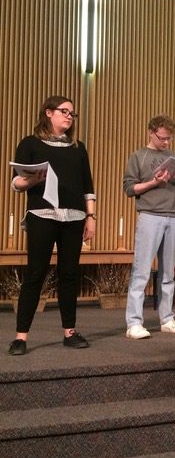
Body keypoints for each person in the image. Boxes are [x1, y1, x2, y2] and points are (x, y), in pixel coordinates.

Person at [8, 95, 96, 355]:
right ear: (48, 112)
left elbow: (87, 186)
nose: (69, 116)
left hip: (74, 217)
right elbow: (16, 183)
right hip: (42, 215)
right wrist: (32, 179)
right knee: (35, 274)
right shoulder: (30, 143)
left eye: (72, 113)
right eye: (64, 111)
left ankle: (69, 332)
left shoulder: (77, 147)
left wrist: (90, 217)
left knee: (69, 275)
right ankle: (21, 337)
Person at [123, 114, 175, 339]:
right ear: (151, 132)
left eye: (169, 138)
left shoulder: (172, 156)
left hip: (173, 215)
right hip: (150, 215)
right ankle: (133, 323)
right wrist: (154, 181)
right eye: (162, 138)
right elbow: (130, 189)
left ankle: (167, 318)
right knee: (141, 272)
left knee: (168, 272)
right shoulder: (139, 156)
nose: (166, 143)